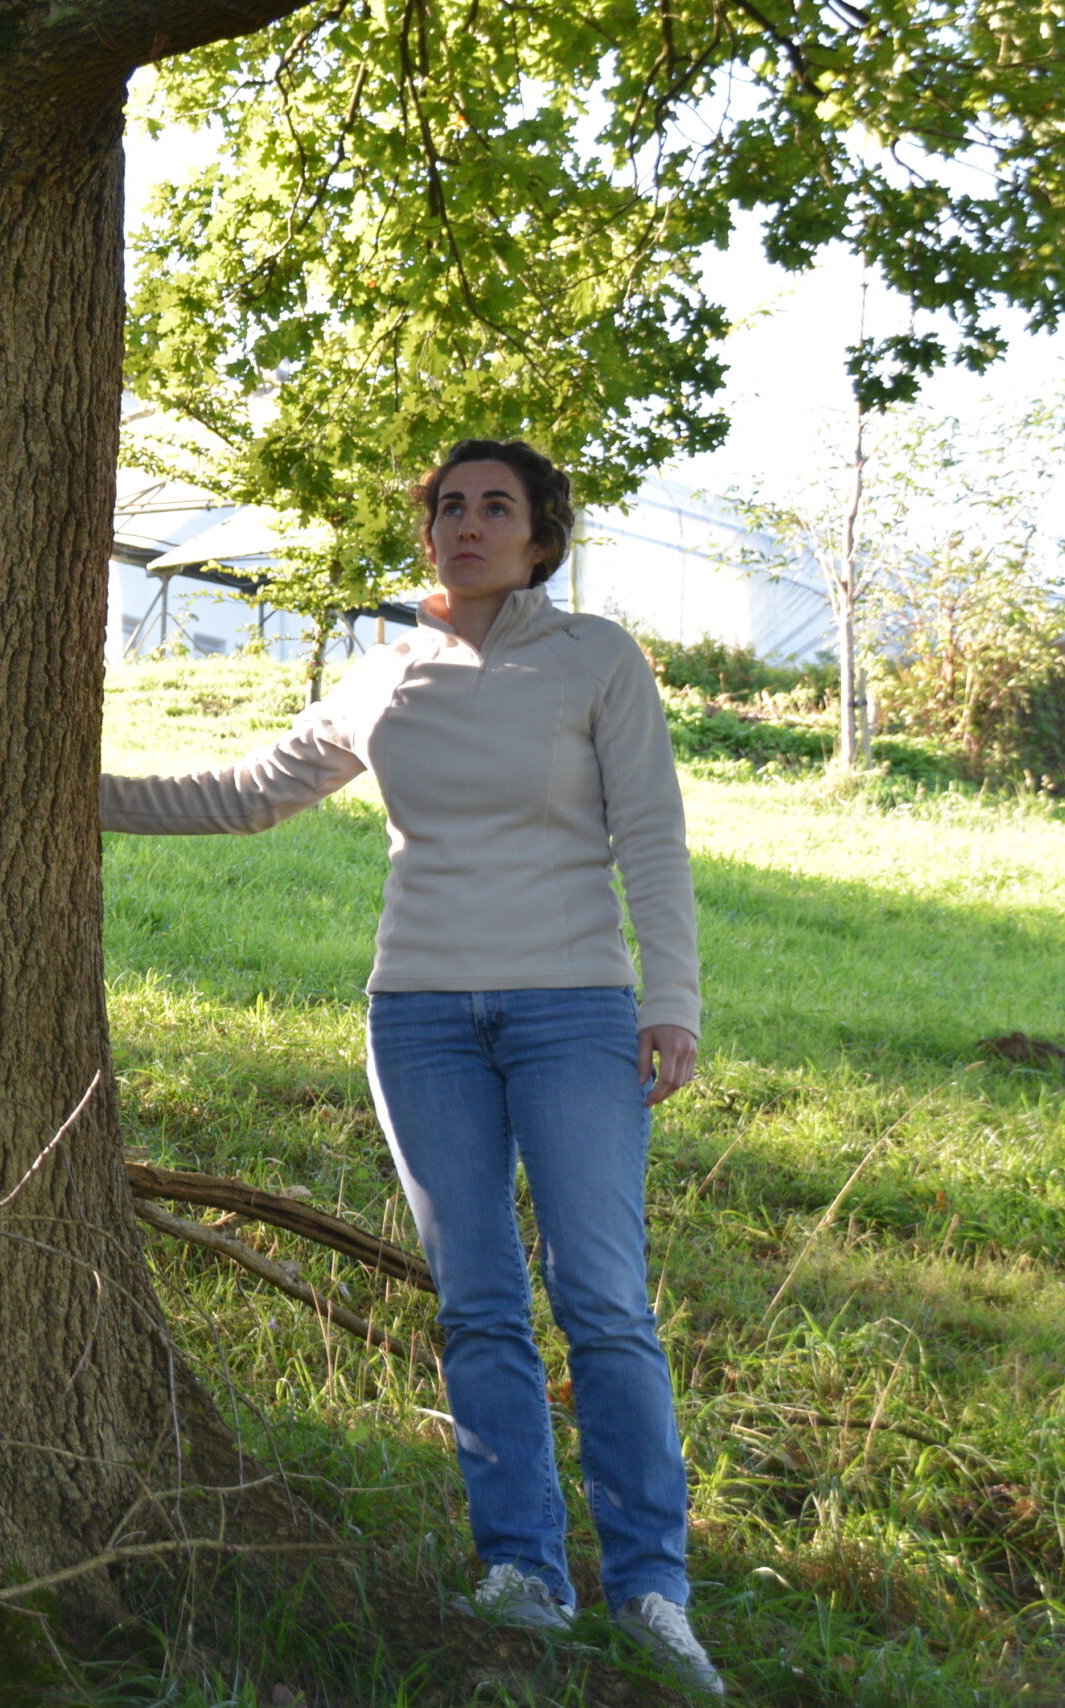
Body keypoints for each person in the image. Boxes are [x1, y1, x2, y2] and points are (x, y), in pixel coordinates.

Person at [100, 439, 723, 1697]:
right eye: (449, 506)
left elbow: (651, 834)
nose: (468, 525)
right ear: (426, 531)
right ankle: (524, 1573)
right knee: (479, 1300)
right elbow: (246, 792)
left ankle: (653, 1590)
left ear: (541, 535)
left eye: (497, 507)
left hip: (575, 1012)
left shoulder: (596, 659)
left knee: (601, 1297)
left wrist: (673, 1002)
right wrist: (66, 790)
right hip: (422, 1017)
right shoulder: (382, 672)